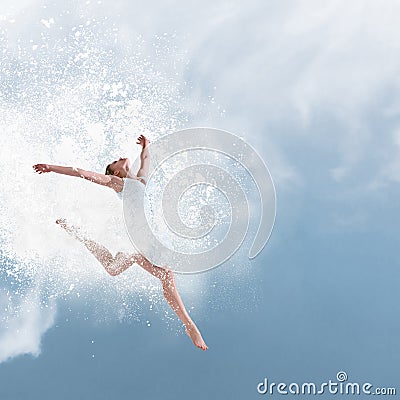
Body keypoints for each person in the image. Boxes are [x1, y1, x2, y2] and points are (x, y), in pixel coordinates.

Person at [32, 134, 208, 351]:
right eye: (114, 162)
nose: (118, 157)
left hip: (148, 243)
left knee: (116, 269)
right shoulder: (118, 183)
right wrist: (51, 167)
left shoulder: (142, 181)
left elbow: (146, 161)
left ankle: (80, 234)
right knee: (164, 275)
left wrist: (145, 146)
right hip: (143, 242)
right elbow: (81, 173)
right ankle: (190, 326)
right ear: (115, 172)